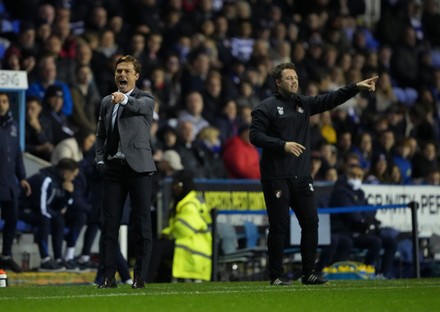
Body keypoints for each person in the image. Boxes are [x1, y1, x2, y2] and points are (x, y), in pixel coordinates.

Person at [249, 62, 378, 286]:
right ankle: (276, 276)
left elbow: (332, 98)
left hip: (302, 177)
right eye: (289, 78)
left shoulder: (303, 104)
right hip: (276, 176)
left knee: (310, 222)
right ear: (278, 82)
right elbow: (255, 136)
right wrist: (282, 145)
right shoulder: (266, 107)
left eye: (296, 77)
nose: (294, 81)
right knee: (279, 226)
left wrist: (355, 87)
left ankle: (308, 273)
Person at [95, 55, 156, 289]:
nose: (122, 75)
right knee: (109, 224)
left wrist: (123, 100)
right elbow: (100, 135)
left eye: (127, 71)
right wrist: (100, 161)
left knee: (142, 224)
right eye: (119, 71)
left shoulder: (146, 99)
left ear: (136, 76)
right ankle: (108, 277)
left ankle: (139, 276)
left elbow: (139, 107)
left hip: (139, 169)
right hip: (113, 169)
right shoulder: (105, 102)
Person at [326, 164, 398, 279]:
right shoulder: (340, 192)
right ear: (347, 175)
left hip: (362, 230)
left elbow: (370, 211)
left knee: (391, 241)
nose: (356, 178)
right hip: (347, 232)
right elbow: (353, 216)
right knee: (376, 242)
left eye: (359, 176)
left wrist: (364, 217)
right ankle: (367, 272)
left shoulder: (360, 193)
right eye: (353, 175)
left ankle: (383, 275)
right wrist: (364, 217)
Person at [147, 170, 212, 283]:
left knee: (158, 247)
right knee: (158, 245)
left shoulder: (190, 204)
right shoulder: (186, 201)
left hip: (192, 246)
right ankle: (157, 280)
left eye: (178, 184)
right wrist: (167, 232)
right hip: (190, 243)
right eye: (174, 184)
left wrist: (169, 234)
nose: (175, 187)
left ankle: (147, 280)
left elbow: (184, 228)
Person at [20, 158, 79, 271]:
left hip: (38, 210)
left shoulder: (60, 182)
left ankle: (58, 258)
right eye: (73, 175)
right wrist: (53, 214)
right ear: (65, 172)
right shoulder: (46, 179)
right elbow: (42, 207)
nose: (73, 178)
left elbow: (59, 207)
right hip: (24, 210)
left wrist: (68, 194)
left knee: (59, 220)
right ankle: (45, 260)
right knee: (45, 219)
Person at [0, 92, 32, 272]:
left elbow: (17, 154)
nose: (2, 105)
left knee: (12, 219)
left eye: (4, 101)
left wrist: (22, 178)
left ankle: (6, 255)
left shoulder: (13, 126)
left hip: (10, 184)